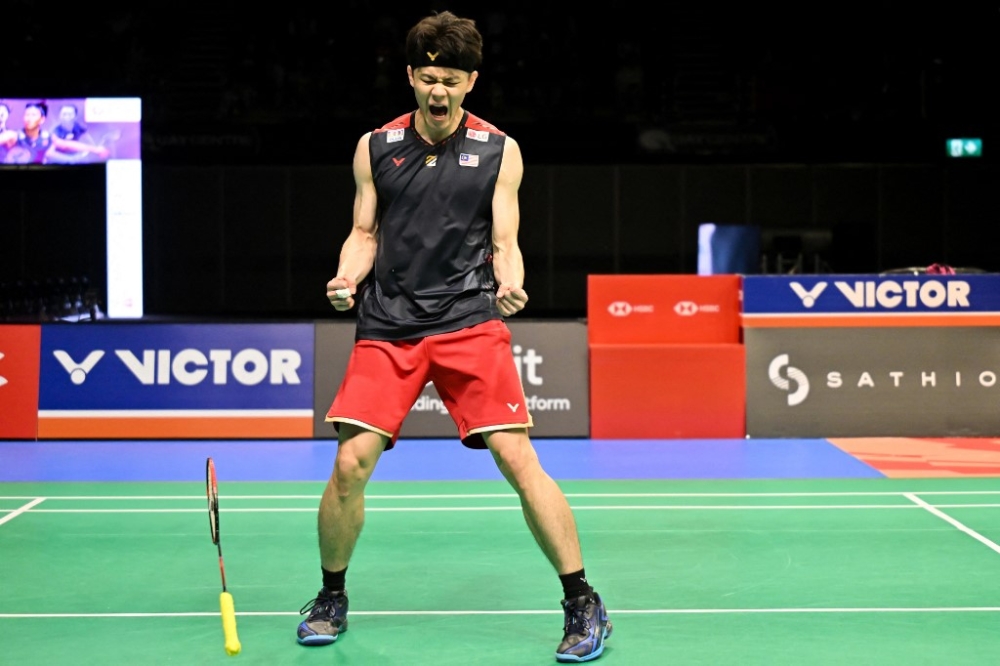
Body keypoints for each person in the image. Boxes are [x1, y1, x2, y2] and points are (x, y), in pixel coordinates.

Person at [296, 10, 612, 663]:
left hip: (469, 318)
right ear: (411, 76)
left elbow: (505, 242)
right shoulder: (375, 147)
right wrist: (345, 277)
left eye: (452, 80)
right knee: (351, 462)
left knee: (517, 458)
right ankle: (331, 595)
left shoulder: (499, 150)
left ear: (472, 81)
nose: (438, 92)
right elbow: (364, 232)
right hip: (390, 322)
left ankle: (582, 600)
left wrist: (512, 283)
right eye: (428, 78)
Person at [0, 101, 109, 164]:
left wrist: (96, 149)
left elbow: (66, 145)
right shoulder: (12, 136)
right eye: (27, 115)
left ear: (42, 119)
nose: (29, 118)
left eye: (33, 115)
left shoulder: (47, 137)